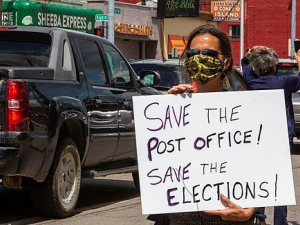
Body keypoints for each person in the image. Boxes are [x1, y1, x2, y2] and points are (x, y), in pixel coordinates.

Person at [147, 24, 256, 225]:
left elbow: (261, 167)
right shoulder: (175, 109)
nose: (199, 58)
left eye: (208, 53)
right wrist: (169, 116)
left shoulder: (245, 112)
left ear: (225, 63)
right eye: (192, 54)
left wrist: (251, 210)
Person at [241, 46, 300, 225]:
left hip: (258, 137)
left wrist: (249, 55)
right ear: (274, 66)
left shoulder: (251, 82)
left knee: (260, 176)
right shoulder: (284, 82)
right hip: (280, 138)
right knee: (280, 178)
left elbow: (244, 65)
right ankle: (279, 221)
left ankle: (259, 217)